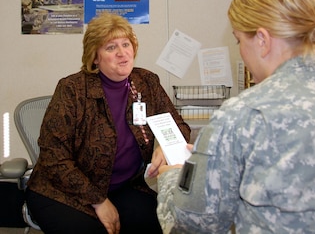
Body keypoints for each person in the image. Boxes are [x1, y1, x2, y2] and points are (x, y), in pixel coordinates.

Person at [156, 0, 315, 233]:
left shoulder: (242, 114)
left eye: (239, 40)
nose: (241, 52)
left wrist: (170, 176)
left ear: (262, 39)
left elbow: (195, 221)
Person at [25, 12, 191, 234]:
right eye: (111, 47)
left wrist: (163, 144)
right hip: (63, 191)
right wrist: (99, 201)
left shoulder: (146, 82)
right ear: (95, 56)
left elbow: (179, 126)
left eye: (126, 44)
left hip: (124, 186)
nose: (122, 53)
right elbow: (53, 157)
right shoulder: (71, 89)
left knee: (161, 222)